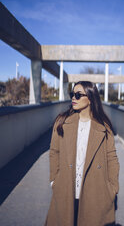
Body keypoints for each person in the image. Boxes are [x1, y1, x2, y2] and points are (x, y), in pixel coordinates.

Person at [45, 81, 119, 226]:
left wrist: (112, 188)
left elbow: (112, 157)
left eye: (78, 95)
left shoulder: (104, 127)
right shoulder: (62, 122)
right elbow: (54, 151)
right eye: (72, 94)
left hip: (95, 191)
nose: (73, 98)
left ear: (90, 99)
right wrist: (54, 180)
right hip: (66, 188)